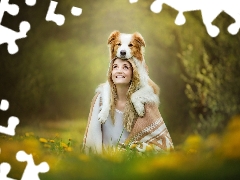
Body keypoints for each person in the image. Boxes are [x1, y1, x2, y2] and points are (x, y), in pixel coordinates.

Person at [82, 57, 174, 154]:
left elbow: (159, 141)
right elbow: (92, 137)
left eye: (125, 67)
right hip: (106, 161)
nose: (119, 71)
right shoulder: (100, 100)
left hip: (132, 161)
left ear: (133, 73)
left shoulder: (144, 103)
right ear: (111, 73)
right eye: (115, 67)